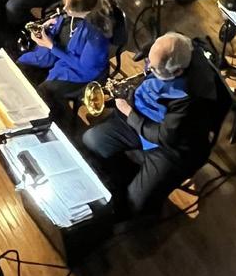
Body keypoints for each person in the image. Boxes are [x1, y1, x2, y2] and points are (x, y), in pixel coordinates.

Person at [82, 32, 217, 215]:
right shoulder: (177, 46)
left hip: (170, 147)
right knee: (92, 140)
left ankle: (144, 202)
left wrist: (129, 113)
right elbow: (163, 47)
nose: (147, 70)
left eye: (153, 69)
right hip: (141, 117)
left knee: (135, 203)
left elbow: (164, 136)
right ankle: (127, 177)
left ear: (177, 72)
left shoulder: (192, 98)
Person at [18, 0, 116, 123]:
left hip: (82, 73)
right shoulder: (77, 12)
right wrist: (48, 27)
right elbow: (64, 20)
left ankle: (42, 120)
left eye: (68, 8)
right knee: (22, 66)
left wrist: (51, 46)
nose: (64, 9)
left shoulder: (97, 35)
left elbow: (84, 67)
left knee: (44, 92)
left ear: (83, 11)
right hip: (66, 53)